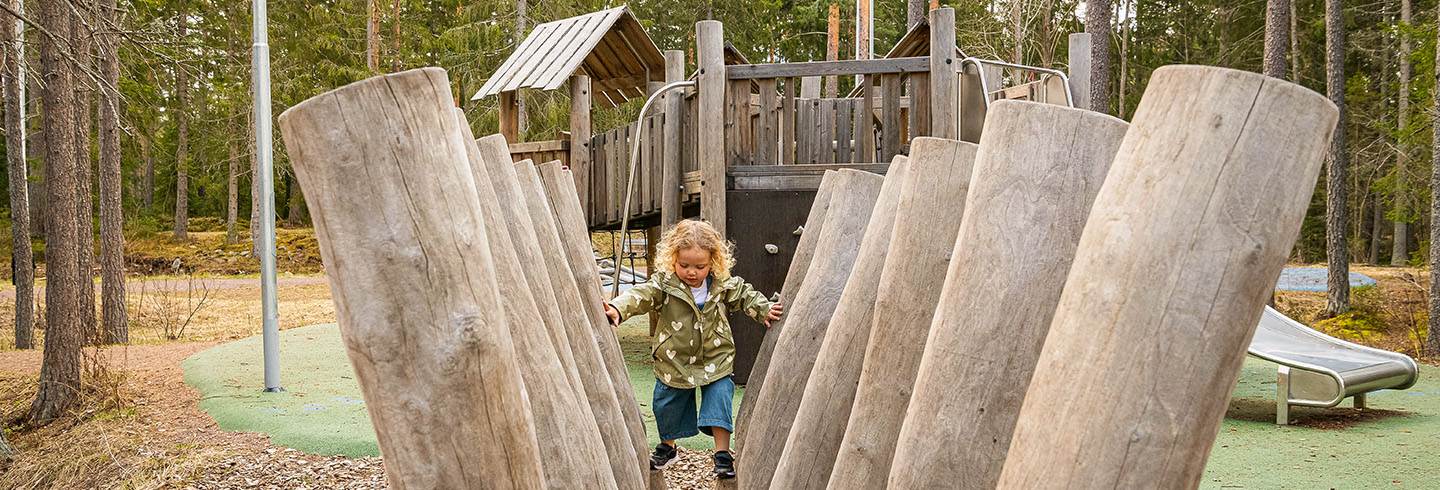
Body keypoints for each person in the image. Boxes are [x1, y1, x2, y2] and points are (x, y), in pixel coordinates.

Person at [604, 219, 783, 480]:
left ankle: (722, 453)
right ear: (672, 259)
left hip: (715, 357)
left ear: (712, 263)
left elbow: (745, 294)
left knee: (719, 398)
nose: (691, 272)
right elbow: (640, 295)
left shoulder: (721, 285)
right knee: (667, 404)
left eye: (700, 266)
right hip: (674, 359)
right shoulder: (664, 284)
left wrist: (764, 309)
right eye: (684, 265)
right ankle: (668, 445)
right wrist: (619, 308)